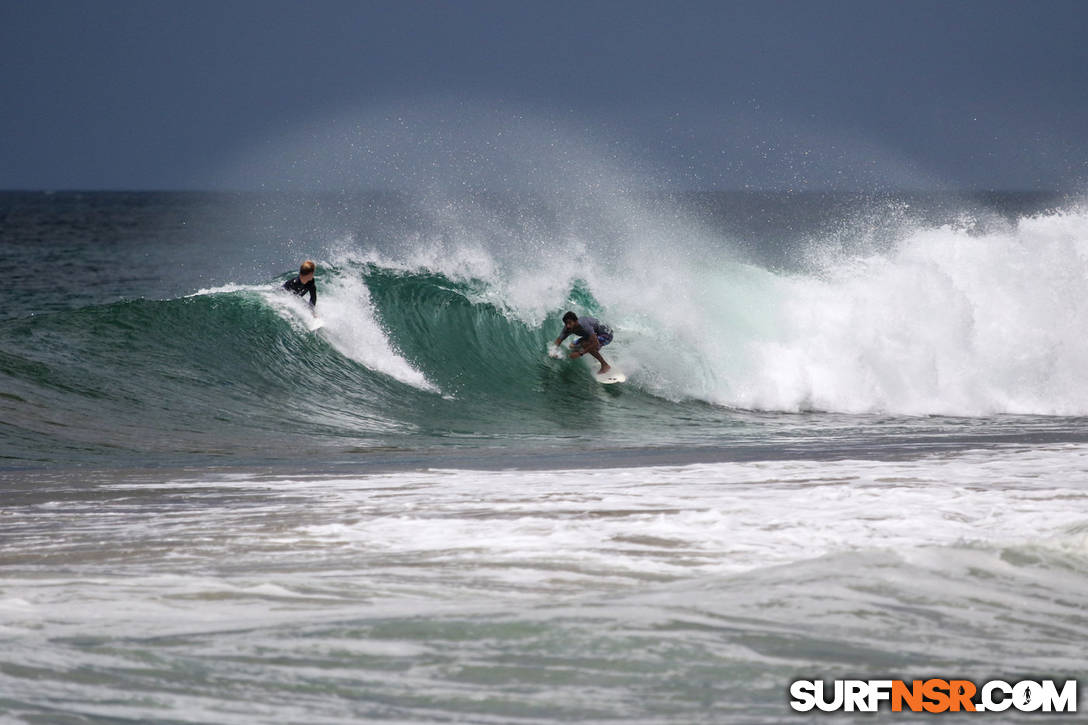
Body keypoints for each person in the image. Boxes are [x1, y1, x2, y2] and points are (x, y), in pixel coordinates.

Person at [554, 310, 613, 375]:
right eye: (566, 323)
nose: (568, 326)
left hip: (606, 334)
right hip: (595, 334)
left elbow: (595, 343)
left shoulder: (584, 325)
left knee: (586, 345)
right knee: (573, 346)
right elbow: (559, 339)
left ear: (576, 321)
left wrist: (580, 353)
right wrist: (553, 351)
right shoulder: (568, 328)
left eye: (569, 323)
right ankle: (595, 356)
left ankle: (605, 365)